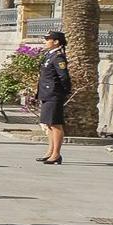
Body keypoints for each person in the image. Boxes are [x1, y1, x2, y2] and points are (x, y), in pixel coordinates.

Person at [35, 31, 71, 164]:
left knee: (55, 124)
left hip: (54, 94)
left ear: (56, 41)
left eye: (48, 39)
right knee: (48, 124)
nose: (46, 41)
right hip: (46, 93)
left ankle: (56, 154)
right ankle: (50, 151)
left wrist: (63, 92)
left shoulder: (58, 57)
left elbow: (64, 77)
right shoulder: (49, 55)